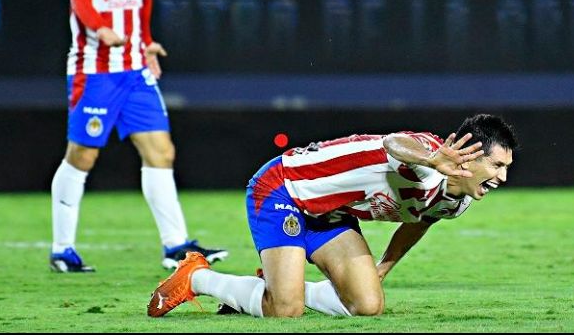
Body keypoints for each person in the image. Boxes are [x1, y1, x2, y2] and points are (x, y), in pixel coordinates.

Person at [147, 114, 517, 318]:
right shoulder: (428, 155)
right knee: (286, 311)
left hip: (331, 213)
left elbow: (420, 219)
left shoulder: (458, 200)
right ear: (469, 154)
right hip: (284, 188)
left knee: (367, 306)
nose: (502, 177)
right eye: (497, 165)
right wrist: (430, 159)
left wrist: (385, 265)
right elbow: (393, 143)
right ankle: (197, 277)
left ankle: (270, 285)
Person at [49, 0, 227, 273]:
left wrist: (146, 42)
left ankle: (176, 246)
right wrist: (100, 30)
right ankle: (62, 248)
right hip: (94, 67)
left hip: (134, 67)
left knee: (161, 151)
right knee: (83, 155)